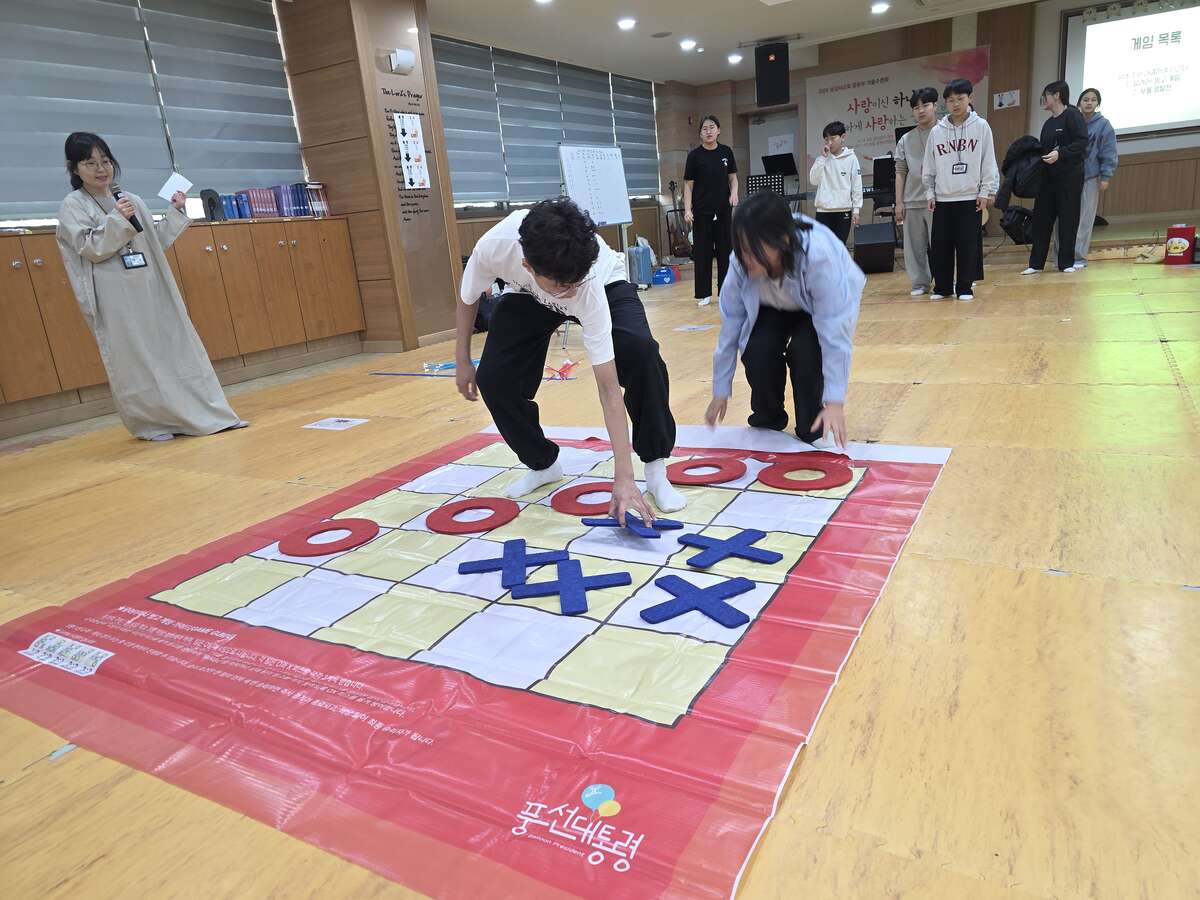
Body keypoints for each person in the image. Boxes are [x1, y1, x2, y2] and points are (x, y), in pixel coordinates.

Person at [455, 198, 685, 523]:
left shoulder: (585, 284)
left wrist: (623, 477)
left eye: (573, 284)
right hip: (528, 293)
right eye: (562, 287)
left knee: (641, 352)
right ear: (527, 265)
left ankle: (655, 467)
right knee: (493, 378)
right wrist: (462, 359)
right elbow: (468, 298)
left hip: (604, 284)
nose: (569, 292)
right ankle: (543, 464)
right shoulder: (494, 248)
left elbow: (608, 389)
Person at [55, 132, 245, 442]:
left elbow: (154, 242)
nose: (101, 169)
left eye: (105, 161)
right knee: (136, 360)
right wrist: (118, 220)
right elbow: (91, 248)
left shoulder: (131, 199)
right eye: (90, 163)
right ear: (74, 169)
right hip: (115, 297)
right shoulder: (72, 206)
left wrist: (175, 212)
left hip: (152, 287)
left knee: (176, 348)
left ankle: (205, 414)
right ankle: (152, 423)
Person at [704, 192, 865, 450]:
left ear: (783, 240)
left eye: (753, 248)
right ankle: (768, 418)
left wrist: (835, 401)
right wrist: (720, 390)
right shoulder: (741, 263)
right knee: (758, 348)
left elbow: (835, 334)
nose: (745, 256)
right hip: (773, 303)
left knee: (806, 350)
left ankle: (813, 425)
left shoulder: (819, 257)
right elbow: (731, 325)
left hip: (817, 306)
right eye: (741, 247)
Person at [922, 79, 998, 301]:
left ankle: (964, 288)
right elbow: (929, 166)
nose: (955, 104)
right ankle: (943, 287)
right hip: (943, 198)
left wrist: (985, 191)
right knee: (941, 246)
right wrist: (930, 192)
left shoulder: (981, 126)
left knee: (967, 245)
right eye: (951, 100)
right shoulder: (937, 132)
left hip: (970, 197)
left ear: (970, 98)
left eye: (960, 99)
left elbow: (988, 161)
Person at [1022, 80, 1088, 275]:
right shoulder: (1048, 123)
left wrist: (1061, 153)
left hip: (1069, 177)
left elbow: (1081, 143)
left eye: (1046, 95)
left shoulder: (1073, 115)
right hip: (1047, 179)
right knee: (1041, 220)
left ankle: (1066, 262)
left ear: (1057, 95)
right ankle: (1036, 264)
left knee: (1068, 219)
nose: (1043, 100)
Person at [684, 115, 738, 308]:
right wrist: (687, 209)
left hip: (723, 211)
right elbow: (688, 185)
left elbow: (733, 178)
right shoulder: (694, 156)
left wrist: (734, 193)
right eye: (705, 128)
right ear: (700, 133)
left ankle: (726, 292)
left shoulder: (726, 152)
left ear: (718, 130)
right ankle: (704, 293)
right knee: (702, 254)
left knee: (725, 253)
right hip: (701, 212)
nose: (708, 131)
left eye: (712, 127)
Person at [1066, 87, 1118, 268]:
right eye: (1085, 99)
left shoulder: (1104, 125)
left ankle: (1079, 258)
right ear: (1079, 102)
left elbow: (1109, 152)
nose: (1089, 102)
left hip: (1090, 177)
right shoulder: (1072, 121)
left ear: (1098, 104)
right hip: (1069, 177)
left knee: (1085, 219)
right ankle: (1063, 256)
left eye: (1093, 100)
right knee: (1066, 218)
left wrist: (1105, 176)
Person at [894, 88, 939, 297]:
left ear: (935, 106)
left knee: (941, 244)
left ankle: (946, 279)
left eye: (925, 105)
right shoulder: (906, 139)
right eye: (916, 107)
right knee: (913, 248)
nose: (920, 111)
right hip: (912, 200)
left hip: (939, 199)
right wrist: (899, 202)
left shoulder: (945, 132)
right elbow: (900, 172)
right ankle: (920, 282)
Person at [808, 121, 862, 245]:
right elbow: (813, 180)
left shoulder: (851, 158)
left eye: (832, 138)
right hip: (823, 212)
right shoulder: (821, 159)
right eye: (826, 140)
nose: (829, 143)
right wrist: (822, 158)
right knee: (824, 248)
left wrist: (856, 210)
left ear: (843, 137)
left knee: (839, 248)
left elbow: (857, 185)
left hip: (843, 211)